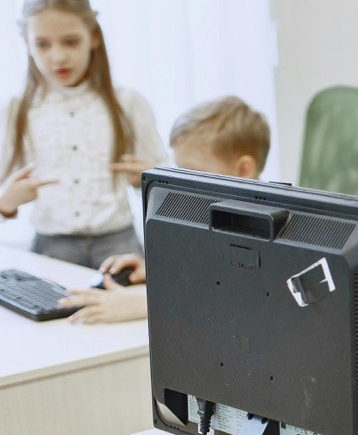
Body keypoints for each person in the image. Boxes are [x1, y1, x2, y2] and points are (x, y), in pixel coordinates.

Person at [57, 96, 271, 323]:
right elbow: (206, 275)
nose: (182, 182)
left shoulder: (263, 228)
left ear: (243, 169)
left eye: (192, 171)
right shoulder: (209, 214)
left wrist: (145, 305)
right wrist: (156, 271)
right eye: (179, 170)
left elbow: (240, 300)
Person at [0, 0, 167, 269]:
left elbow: (170, 189)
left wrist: (147, 179)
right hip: (50, 250)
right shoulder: (18, 111)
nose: (58, 56)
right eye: (42, 44)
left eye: (71, 41)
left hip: (120, 247)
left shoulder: (128, 103)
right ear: (25, 41)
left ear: (93, 36)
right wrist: (6, 202)